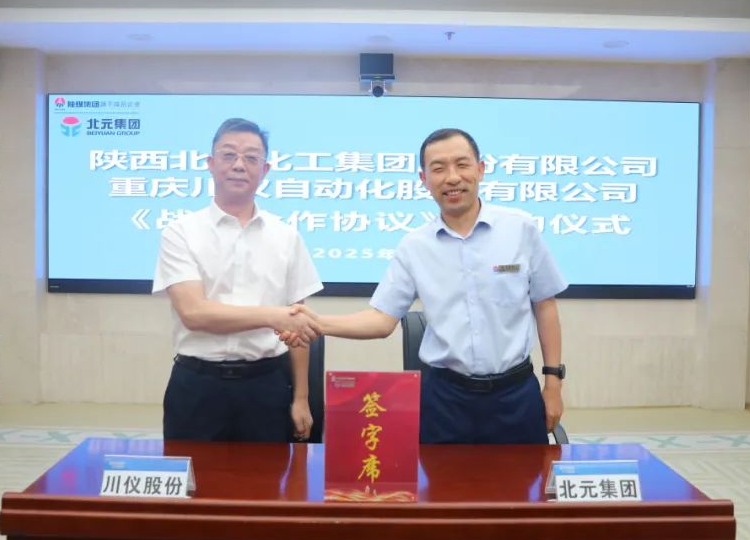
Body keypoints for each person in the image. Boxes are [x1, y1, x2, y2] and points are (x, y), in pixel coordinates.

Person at [285, 128, 567, 444]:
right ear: (424, 179)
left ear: (480, 169)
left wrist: (553, 383)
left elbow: (545, 305)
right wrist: (317, 323)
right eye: (439, 168)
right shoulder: (414, 246)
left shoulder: (521, 229)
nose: (452, 177)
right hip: (446, 401)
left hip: (515, 394)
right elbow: (381, 320)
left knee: (524, 477)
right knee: (442, 478)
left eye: (462, 164)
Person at [153, 118, 323, 443]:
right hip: (197, 385)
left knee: (268, 476)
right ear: (210, 163)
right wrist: (274, 316)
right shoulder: (180, 232)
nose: (239, 165)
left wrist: (301, 398)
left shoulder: (287, 236)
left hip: (266, 385)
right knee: (192, 475)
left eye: (251, 157)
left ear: (265, 169)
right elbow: (194, 314)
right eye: (229, 155)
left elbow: (297, 327)